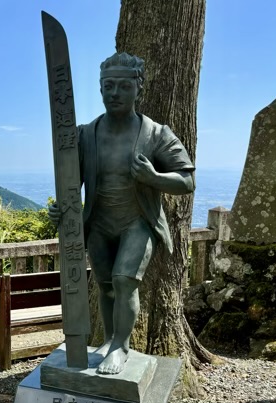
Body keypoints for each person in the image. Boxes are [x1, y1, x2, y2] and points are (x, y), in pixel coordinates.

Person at [49, 52, 195, 375]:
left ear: (137, 88)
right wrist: (62, 211)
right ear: (100, 89)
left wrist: (154, 178)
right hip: (99, 222)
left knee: (124, 280)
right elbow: (71, 183)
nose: (114, 93)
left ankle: (121, 346)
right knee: (104, 284)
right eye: (108, 86)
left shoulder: (156, 134)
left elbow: (187, 179)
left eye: (123, 86)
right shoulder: (86, 134)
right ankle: (109, 337)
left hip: (137, 221)